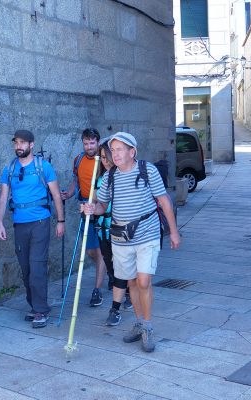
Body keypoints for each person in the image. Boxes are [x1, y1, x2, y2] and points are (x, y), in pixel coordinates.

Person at [82, 132, 181, 352]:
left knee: (144, 281)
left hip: (147, 233)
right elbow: (102, 207)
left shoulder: (147, 171)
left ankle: (147, 326)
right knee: (132, 282)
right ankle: (138, 322)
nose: (114, 154)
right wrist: (92, 209)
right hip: (121, 238)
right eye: (112, 150)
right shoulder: (109, 177)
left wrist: (173, 232)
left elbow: (164, 200)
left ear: (132, 151)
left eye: (119, 149)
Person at [0, 129, 65, 328]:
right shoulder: (8, 169)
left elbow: (56, 195)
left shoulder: (44, 167)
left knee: (36, 266)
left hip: (40, 223)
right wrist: (0, 222)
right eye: (16, 142)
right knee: (26, 269)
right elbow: (3, 197)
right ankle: (35, 306)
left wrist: (60, 221)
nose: (19, 146)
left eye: (23, 143)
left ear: (31, 144)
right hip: (20, 225)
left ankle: (41, 310)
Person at [61, 128, 107, 307]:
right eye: (86, 143)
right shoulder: (78, 160)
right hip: (84, 208)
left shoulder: (104, 160)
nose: (89, 146)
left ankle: (97, 290)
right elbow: (76, 181)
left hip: (102, 209)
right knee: (90, 251)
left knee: (101, 250)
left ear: (98, 142)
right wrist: (69, 194)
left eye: (92, 143)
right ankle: (107, 268)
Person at [95, 138, 131, 327]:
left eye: (107, 156)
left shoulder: (123, 176)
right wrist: (91, 208)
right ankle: (127, 292)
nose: (106, 161)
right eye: (102, 158)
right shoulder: (101, 179)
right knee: (111, 266)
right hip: (103, 229)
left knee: (120, 268)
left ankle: (117, 306)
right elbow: (100, 204)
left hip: (121, 231)